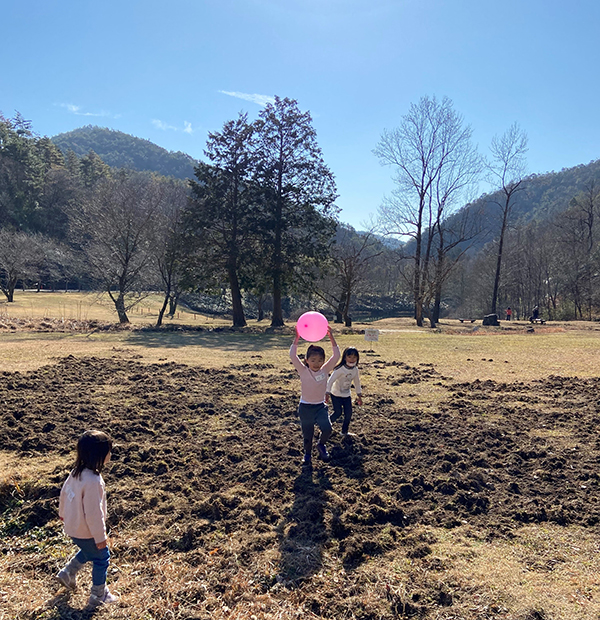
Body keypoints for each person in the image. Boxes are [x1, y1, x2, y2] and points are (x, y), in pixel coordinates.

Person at [57, 430, 118, 609]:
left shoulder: (76, 472)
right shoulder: (93, 481)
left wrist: (63, 514)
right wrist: (101, 538)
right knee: (101, 558)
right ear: (99, 454)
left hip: (73, 526)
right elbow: (94, 514)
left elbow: (64, 494)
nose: (111, 454)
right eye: (108, 450)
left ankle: (67, 572)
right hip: (87, 530)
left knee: (88, 551)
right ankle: (99, 595)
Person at [290, 325, 340, 465]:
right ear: (306, 360)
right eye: (313, 360)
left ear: (323, 361)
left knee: (327, 428)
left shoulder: (325, 370)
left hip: (320, 406)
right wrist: (297, 338)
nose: (316, 363)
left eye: (319, 360)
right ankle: (307, 454)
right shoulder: (303, 370)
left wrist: (331, 338)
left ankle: (321, 444)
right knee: (307, 434)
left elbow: (336, 356)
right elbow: (292, 356)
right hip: (305, 407)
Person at [326, 347, 363, 438]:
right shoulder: (339, 369)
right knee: (338, 413)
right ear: (345, 358)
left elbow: (357, 382)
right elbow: (330, 381)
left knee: (348, 413)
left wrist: (359, 395)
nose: (352, 359)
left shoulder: (355, 370)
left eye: (354, 357)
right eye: (349, 357)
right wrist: (327, 393)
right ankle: (325, 426)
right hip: (336, 394)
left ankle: (344, 432)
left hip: (346, 395)